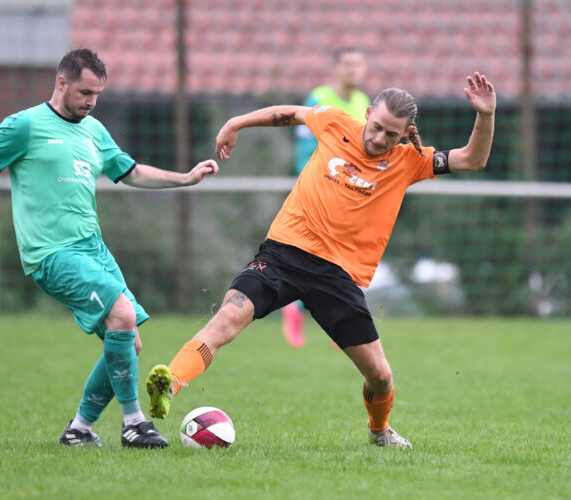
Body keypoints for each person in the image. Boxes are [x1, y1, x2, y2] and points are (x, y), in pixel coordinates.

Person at [0, 48, 219, 449]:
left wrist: (184, 178)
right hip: (53, 254)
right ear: (61, 83)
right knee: (123, 315)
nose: (91, 102)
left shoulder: (94, 130)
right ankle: (134, 424)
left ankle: (79, 429)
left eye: (97, 94)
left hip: (93, 248)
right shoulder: (24, 125)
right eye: (84, 92)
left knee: (129, 339)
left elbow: (131, 172)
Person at [146, 72, 496, 448]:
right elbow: (290, 113)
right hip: (282, 254)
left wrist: (486, 116)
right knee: (228, 318)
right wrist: (236, 122)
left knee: (380, 377)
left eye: (391, 135)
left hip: (336, 277)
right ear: (366, 113)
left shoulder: (409, 161)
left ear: (405, 133)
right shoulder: (334, 122)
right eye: (376, 127)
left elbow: (471, 159)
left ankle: (379, 431)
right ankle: (170, 385)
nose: (380, 139)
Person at [285, 47, 370, 348]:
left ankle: (341, 320)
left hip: (353, 194)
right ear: (335, 69)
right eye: (347, 64)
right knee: (313, 256)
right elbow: (305, 150)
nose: (353, 70)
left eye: (359, 64)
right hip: (320, 191)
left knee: (344, 257)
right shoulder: (317, 99)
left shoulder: (363, 103)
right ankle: (296, 310)